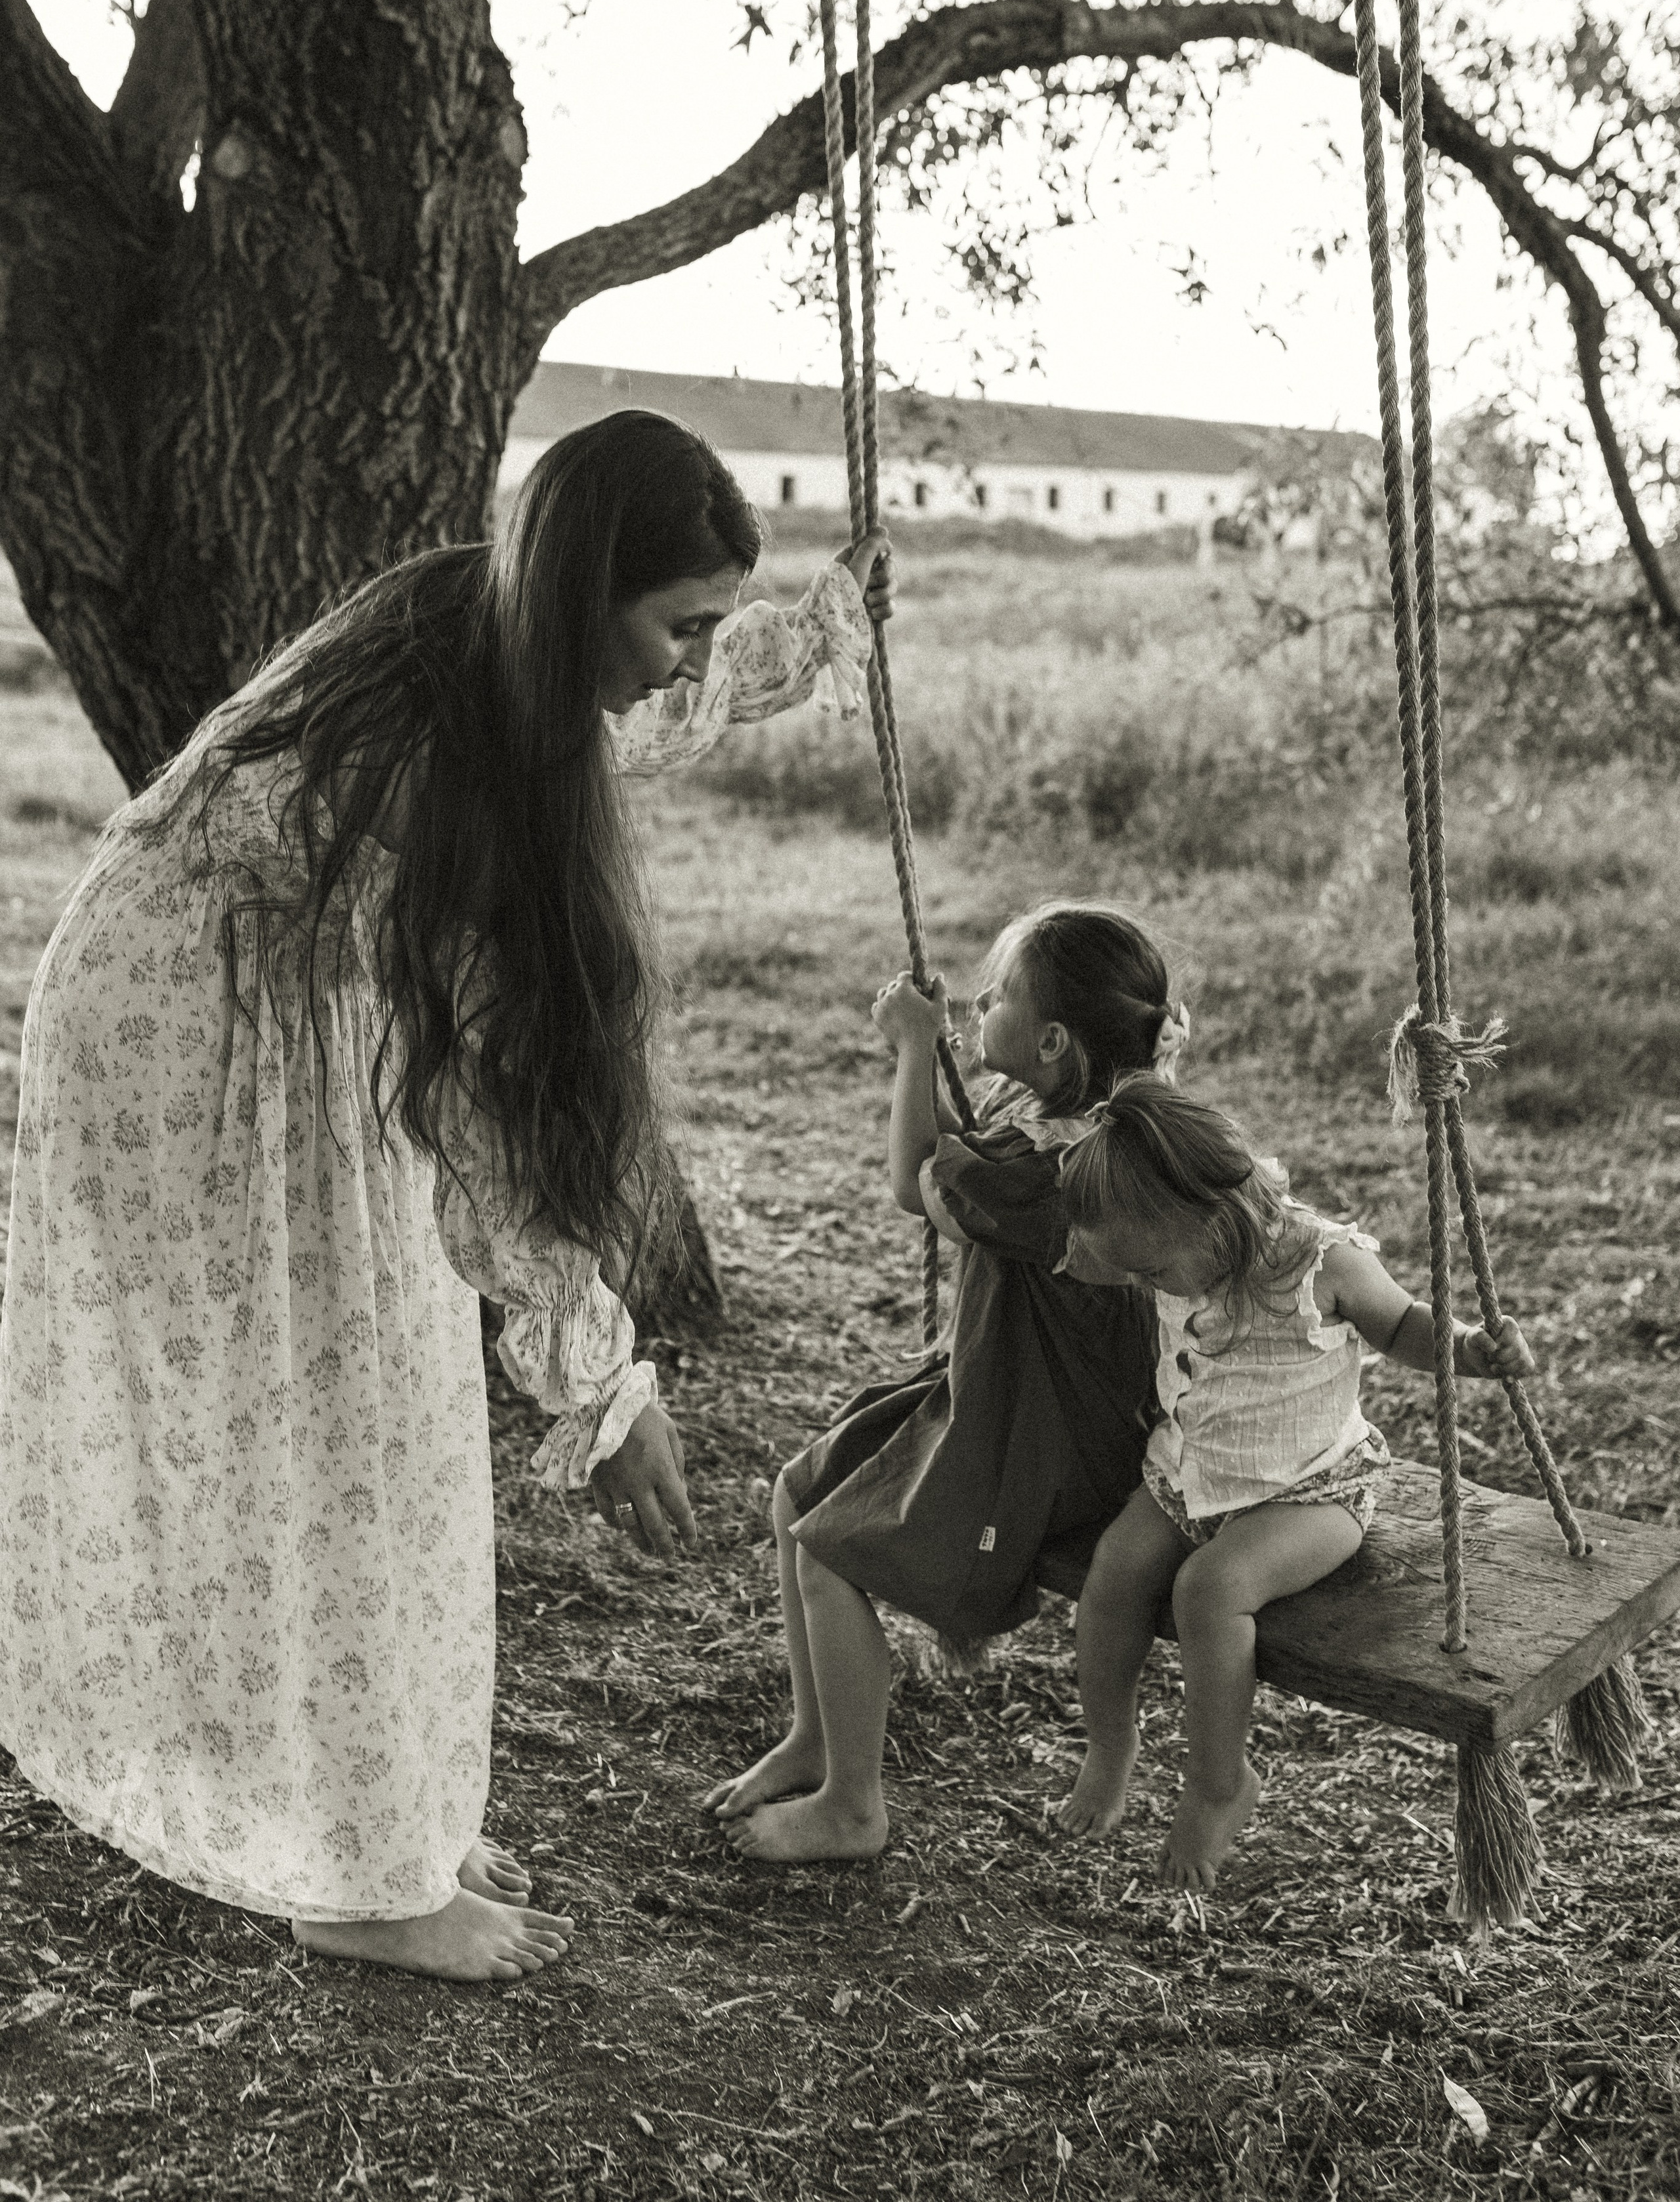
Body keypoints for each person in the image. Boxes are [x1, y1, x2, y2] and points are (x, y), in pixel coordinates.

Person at [0, 408, 890, 1983]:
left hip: (281, 1004)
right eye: (682, 624)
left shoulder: (489, 630)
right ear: (582, 593)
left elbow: (642, 710)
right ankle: (354, 1871)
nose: (690, 660)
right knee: (335, 1430)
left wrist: (815, 633)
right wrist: (604, 1390)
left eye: (712, 625)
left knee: (376, 1405)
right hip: (186, 1042)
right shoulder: (443, 758)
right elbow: (489, 1134)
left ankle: (365, 1821)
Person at [707, 902, 1188, 1862]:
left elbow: (913, 1182)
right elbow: (956, 1151)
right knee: (798, 1493)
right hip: (1011, 1382)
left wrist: (913, 1050)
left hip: (1047, 1434)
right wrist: (934, 1056)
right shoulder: (1090, 1115)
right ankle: (814, 1736)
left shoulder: (1048, 1170)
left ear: (1052, 1042)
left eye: (997, 994)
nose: (977, 1002)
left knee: (829, 1553)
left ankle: (853, 1807)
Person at [1053, 1076, 1533, 1886]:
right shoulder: (1166, 1243)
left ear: (1217, 1218)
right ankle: (1109, 1745)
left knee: (1210, 1590)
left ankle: (1218, 1783)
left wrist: (1469, 1350)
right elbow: (1099, 1248)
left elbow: (1403, 1325)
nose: (1145, 1286)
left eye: (1153, 1272)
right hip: (1188, 1475)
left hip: (1312, 1494)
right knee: (1112, 1573)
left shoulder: (1321, 1261)